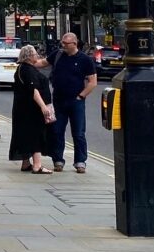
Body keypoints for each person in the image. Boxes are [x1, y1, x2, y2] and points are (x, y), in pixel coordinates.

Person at [39, 32, 96, 173]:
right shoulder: (58, 55)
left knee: (78, 133)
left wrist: (81, 96)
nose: (63, 45)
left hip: (76, 102)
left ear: (74, 44)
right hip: (58, 100)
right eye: (62, 43)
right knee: (57, 131)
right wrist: (27, 60)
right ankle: (58, 160)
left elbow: (92, 82)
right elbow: (42, 63)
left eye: (66, 43)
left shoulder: (85, 60)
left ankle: (80, 161)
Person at [10, 44, 54, 173]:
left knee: (25, 135)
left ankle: (25, 163)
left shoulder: (21, 68)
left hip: (22, 108)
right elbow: (34, 91)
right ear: (29, 56)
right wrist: (43, 107)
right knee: (37, 134)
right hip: (32, 109)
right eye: (35, 54)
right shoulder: (28, 70)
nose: (37, 55)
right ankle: (37, 165)